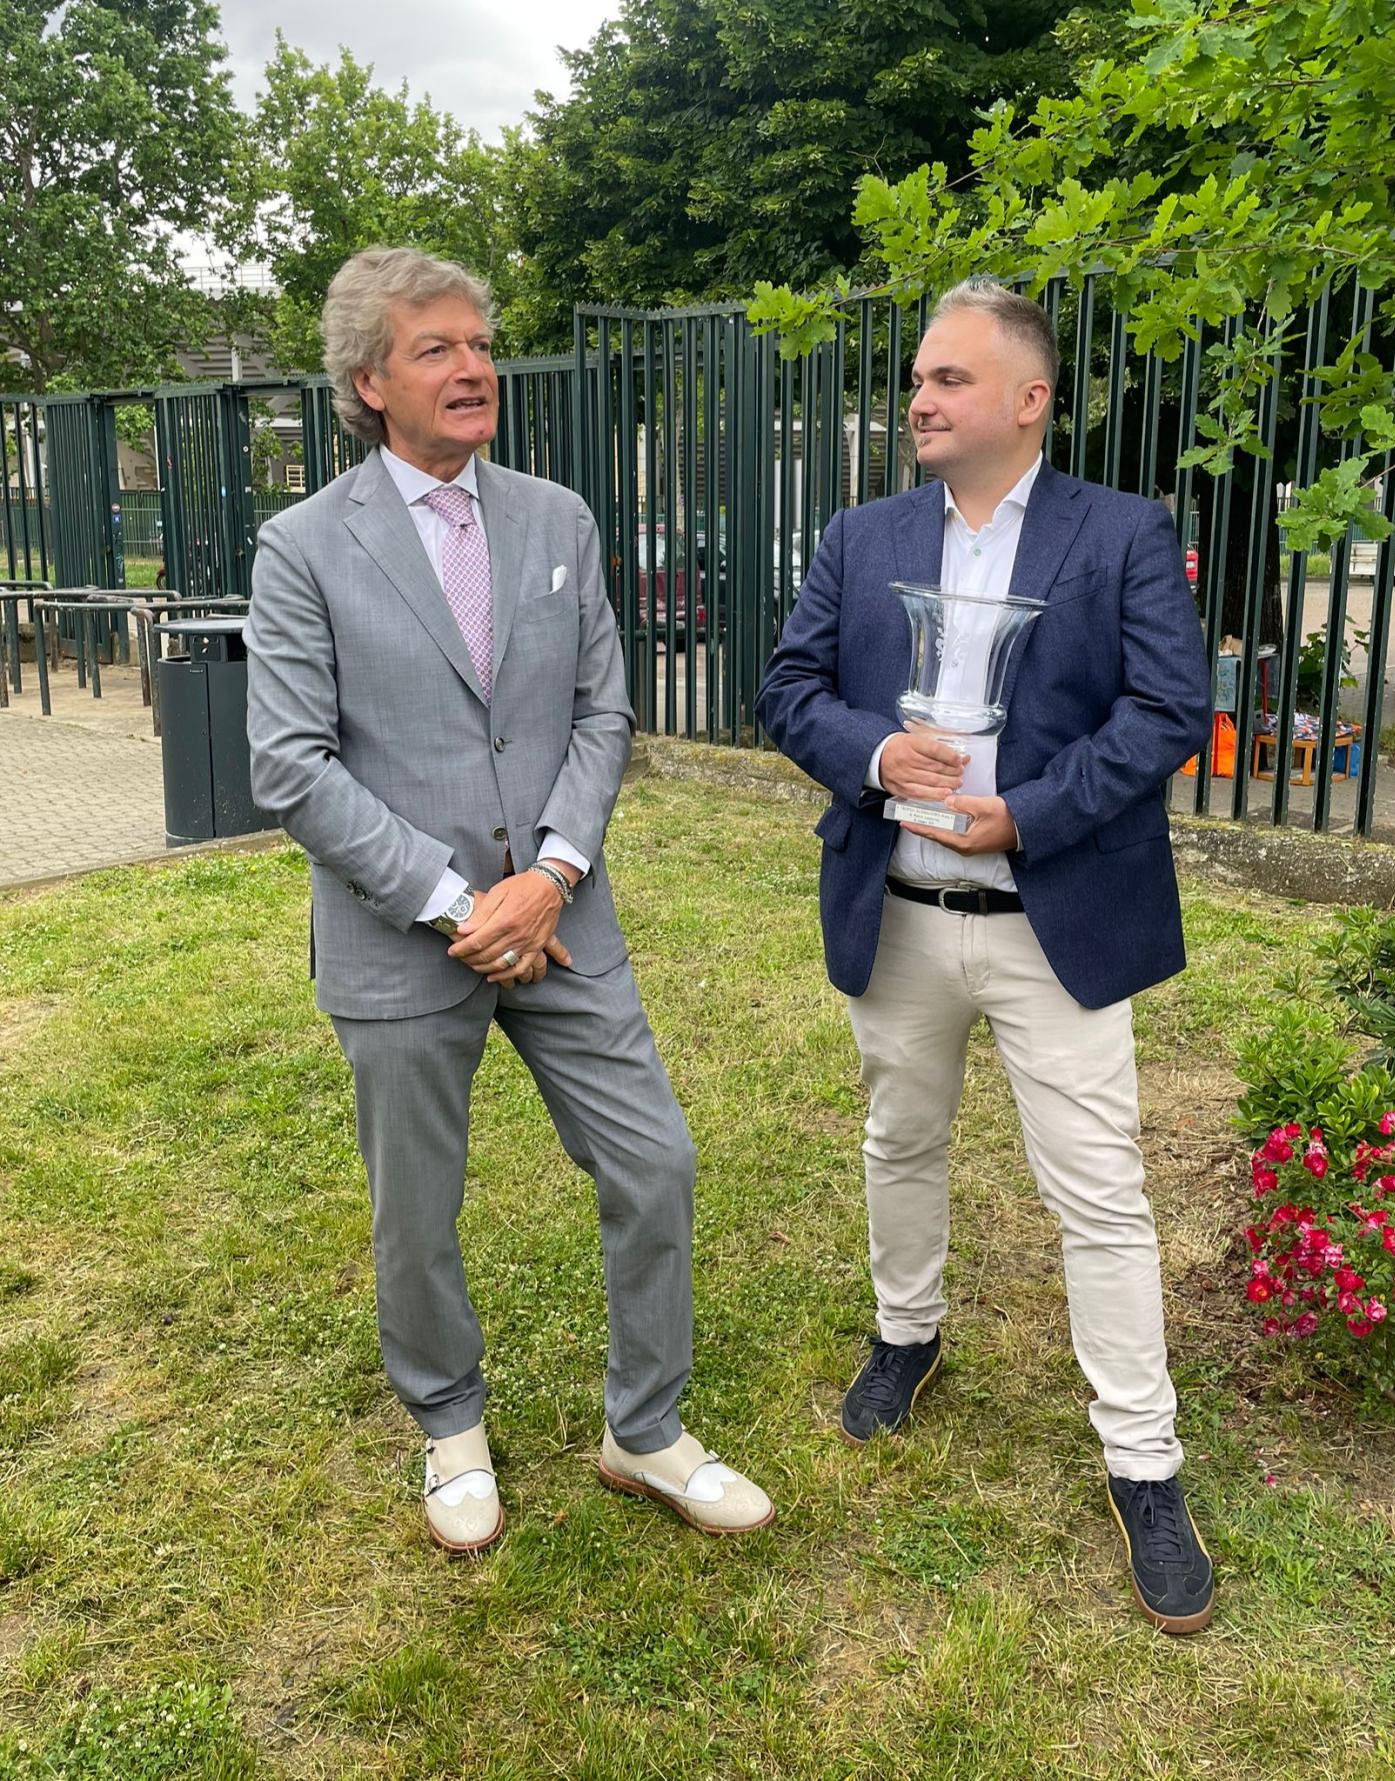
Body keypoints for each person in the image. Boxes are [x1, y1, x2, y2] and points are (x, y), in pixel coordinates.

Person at [246, 246, 772, 1554]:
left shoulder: (556, 519)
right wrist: (455, 905)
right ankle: (451, 1426)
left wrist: (549, 878)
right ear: (370, 381)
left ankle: (645, 1428)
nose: (473, 366)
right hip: (401, 940)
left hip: (561, 918)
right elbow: (291, 765)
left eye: (479, 343)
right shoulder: (303, 547)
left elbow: (602, 712)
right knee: (416, 1207)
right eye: (437, 348)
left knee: (655, 1161)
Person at [756, 276, 1214, 1633]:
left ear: (1029, 398)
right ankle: (907, 1335)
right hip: (897, 908)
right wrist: (875, 752)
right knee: (899, 1141)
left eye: (949, 378)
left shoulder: (1120, 533)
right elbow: (788, 688)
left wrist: (1034, 811)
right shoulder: (861, 535)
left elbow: (1168, 708)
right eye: (917, 377)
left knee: (1102, 1195)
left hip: (1049, 921)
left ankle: (1143, 1460)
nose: (920, 398)